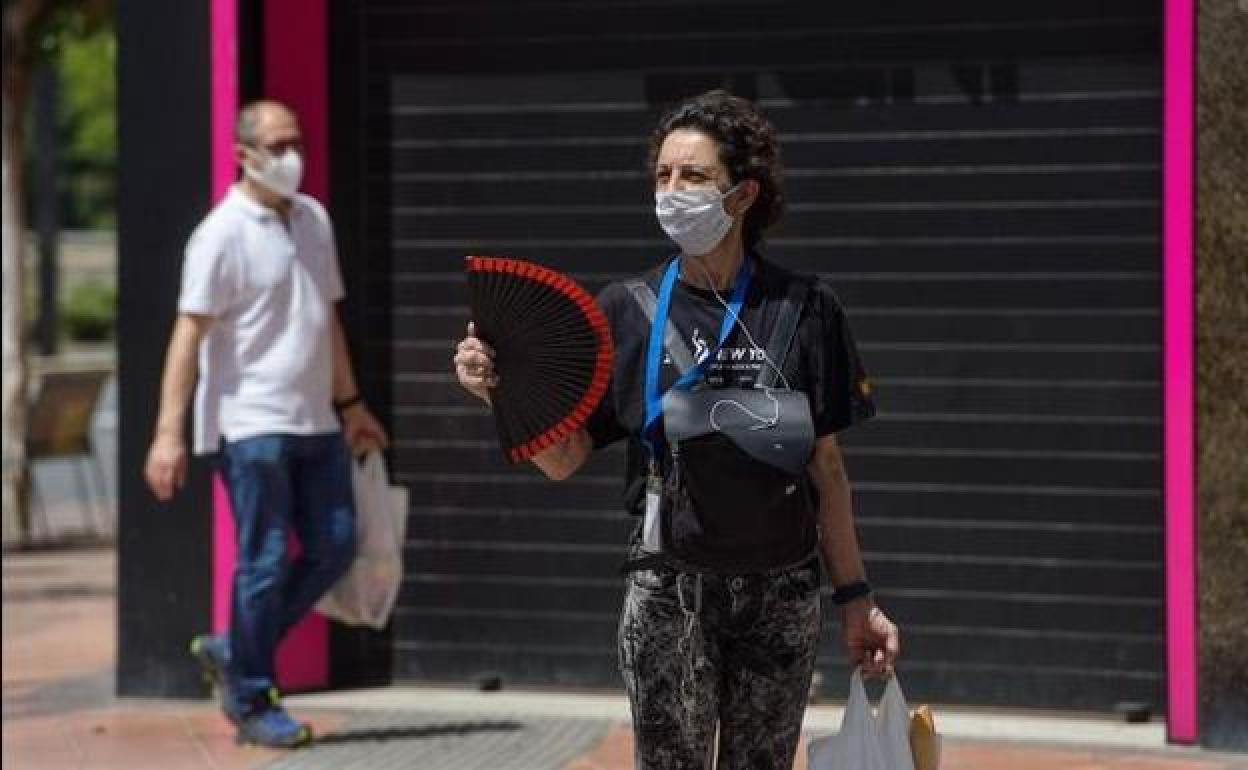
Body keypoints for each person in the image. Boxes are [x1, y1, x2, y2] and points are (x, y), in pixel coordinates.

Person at [454, 90, 900, 769]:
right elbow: (565, 458)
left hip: (781, 591)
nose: (671, 192)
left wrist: (856, 598)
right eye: (662, 176)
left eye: (692, 176)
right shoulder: (626, 309)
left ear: (743, 194)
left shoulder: (807, 308)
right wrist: (500, 392)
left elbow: (827, 468)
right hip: (668, 590)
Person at [143, 100, 388, 748]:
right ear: (243, 155)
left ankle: (233, 649)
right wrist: (168, 435)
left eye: (296, 141)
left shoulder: (313, 219)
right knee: (264, 561)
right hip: (250, 426)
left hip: (316, 423)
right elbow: (186, 337)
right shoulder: (220, 234)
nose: (291, 156)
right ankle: (252, 699)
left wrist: (352, 404)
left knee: (335, 545)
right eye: (276, 145)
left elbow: (325, 319)